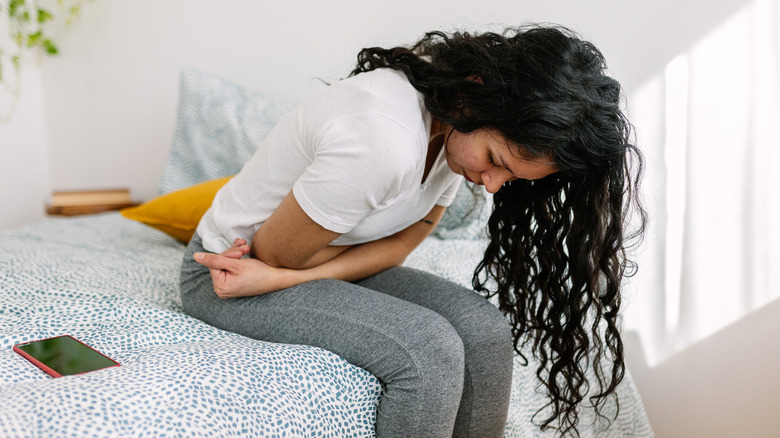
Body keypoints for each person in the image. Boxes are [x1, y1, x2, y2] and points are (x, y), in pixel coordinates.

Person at [180, 24, 646, 437]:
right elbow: (275, 255)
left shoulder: (449, 124)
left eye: (512, 178)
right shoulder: (383, 139)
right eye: (495, 161)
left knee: (484, 330)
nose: (492, 184)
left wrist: (287, 280)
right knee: (429, 350)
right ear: (475, 96)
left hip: (298, 265)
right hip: (230, 275)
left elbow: (404, 242)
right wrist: (283, 274)